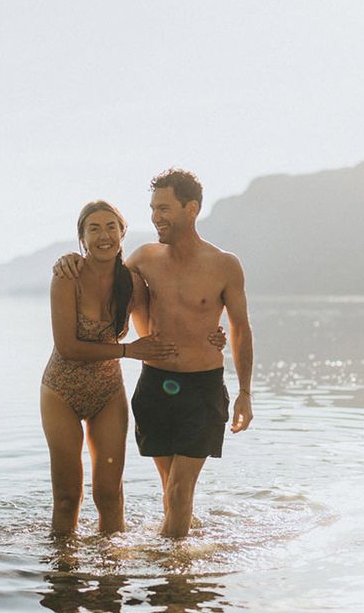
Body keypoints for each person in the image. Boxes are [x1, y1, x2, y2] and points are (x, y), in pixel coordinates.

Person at [55, 169, 254, 538]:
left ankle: (172, 581)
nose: (155, 217)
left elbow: (241, 328)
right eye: (152, 208)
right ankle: (177, 564)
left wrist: (244, 393)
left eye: (164, 208)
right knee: (171, 494)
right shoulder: (144, 258)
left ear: (191, 208)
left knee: (179, 493)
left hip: (202, 389)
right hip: (156, 387)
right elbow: (102, 273)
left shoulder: (225, 265)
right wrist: (69, 259)